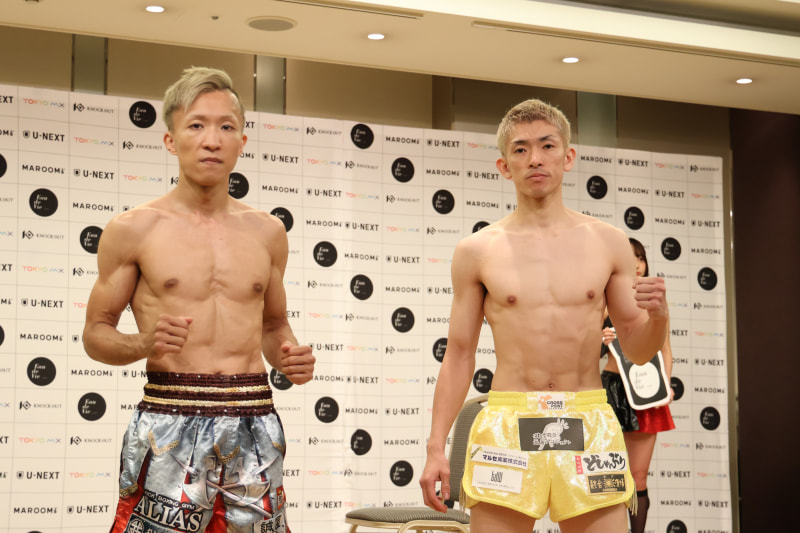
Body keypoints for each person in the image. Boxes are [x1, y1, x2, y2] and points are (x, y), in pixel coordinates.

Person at [419, 98, 668, 533]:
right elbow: (458, 355)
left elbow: (638, 350)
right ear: (504, 165)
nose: (535, 158)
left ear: (567, 156)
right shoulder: (477, 251)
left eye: (547, 145)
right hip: (507, 421)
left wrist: (659, 319)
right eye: (521, 149)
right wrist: (436, 446)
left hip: (588, 418)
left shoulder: (609, 243)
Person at [82, 66, 314, 533]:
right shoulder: (133, 229)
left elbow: (273, 326)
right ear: (171, 141)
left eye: (226, 127)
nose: (212, 140)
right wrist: (143, 343)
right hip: (169, 419)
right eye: (196, 125)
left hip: (254, 418)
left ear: (241, 142)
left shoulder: (268, 232)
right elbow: (96, 333)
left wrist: (288, 355)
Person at [601, 237, 675, 533]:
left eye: (641, 257)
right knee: (608, 475)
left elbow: (666, 352)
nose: (636, 263)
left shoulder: (656, 306)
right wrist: (601, 338)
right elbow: (583, 349)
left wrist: (664, 387)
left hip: (647, 393)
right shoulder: (605, 303)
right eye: (630, 256)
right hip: (612, 390)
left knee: (638, 476)